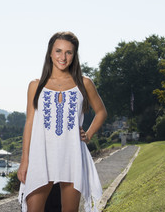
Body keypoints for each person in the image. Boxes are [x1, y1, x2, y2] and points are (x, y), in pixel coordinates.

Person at [17, 31, 107, 212]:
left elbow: (101, 112)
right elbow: (29, 124)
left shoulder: (84, 83)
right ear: (50, 53)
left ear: (74, 56)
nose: (63, 57)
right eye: (58, 51)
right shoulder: (36, 86)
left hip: (71, 154)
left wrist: (88, 135)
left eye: (69, 52)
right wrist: (25, 160)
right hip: (41, 155)